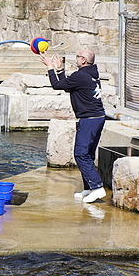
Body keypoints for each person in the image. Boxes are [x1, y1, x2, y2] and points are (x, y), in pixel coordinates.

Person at [39, 48, 107, 203]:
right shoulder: (89, 74)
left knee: (80, 154)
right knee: (88, 154)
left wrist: (50, 67)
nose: (75, 59)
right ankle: (89, 188)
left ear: (83, 60)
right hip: (96, 117)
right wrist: (60, 69)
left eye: (78, 56)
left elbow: (57, 85)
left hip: (89, 119)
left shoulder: (81, 76)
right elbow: (67, 85)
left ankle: (97, 187)